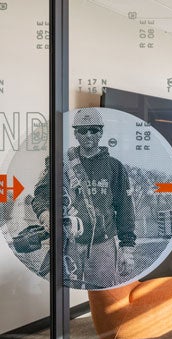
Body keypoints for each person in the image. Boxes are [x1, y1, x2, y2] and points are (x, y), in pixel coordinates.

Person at [32, 108, 137, 290]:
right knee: (62, 291)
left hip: (102, 244)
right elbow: (40, 195)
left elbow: (125, 209)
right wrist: (45, 214)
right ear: (75, 134)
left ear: (101, 132)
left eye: (94, 130)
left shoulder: (114, 167)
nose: (88, 135)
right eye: (83, 130)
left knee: (104, 294)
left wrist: (127, 248)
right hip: (67, 243)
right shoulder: (61, 164)